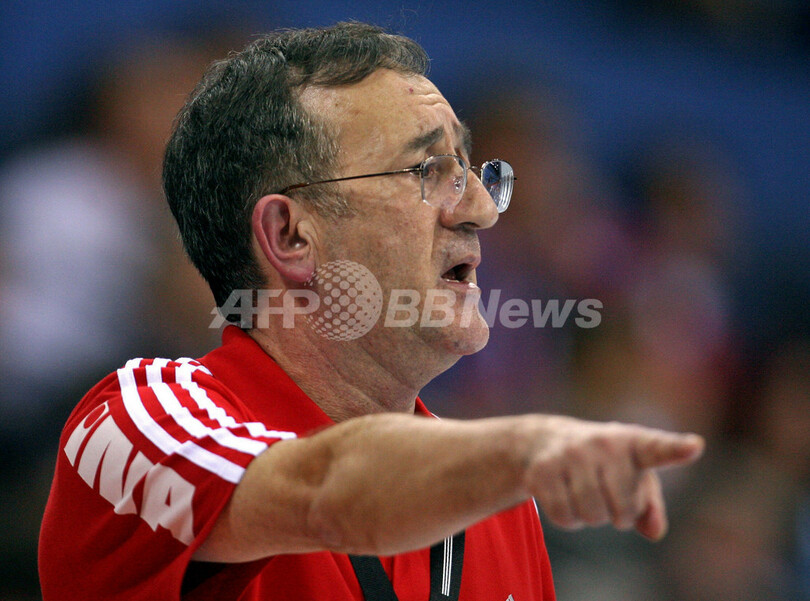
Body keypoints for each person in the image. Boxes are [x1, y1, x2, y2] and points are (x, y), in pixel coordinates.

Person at [39, 22, 704, 600]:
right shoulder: (137, 422)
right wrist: (521, 451)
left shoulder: (502, 505)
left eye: (473, 170)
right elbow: (320, 490)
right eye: (428, 170)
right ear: (290, 236)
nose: (480, 208)